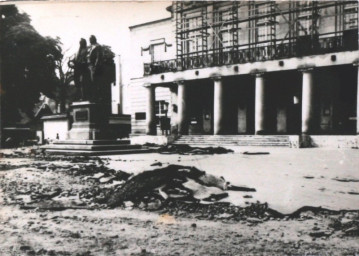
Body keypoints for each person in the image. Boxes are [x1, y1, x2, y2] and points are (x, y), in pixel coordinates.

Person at [87, 35, 103, 101]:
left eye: (90, 39)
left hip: (94, 67)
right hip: (90, 66)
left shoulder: (97, 46)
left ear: (93, 39)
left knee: (95, 83)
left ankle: (97, 97)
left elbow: (98, 57)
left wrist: (95, 67)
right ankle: (93, 96)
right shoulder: (91, 47)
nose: (89, 40)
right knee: (91, 83)